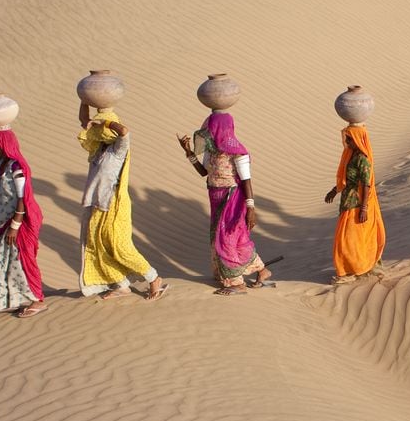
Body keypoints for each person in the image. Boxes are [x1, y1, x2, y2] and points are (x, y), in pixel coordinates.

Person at [78, 101, 167, 300]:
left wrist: (106, 123)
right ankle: (120, 284)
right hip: (98, 204)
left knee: (119, 246)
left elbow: (125, 131)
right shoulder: (97, 149)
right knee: (98, 245)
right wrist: (84, 100)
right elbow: (84, 121)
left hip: (115, 204)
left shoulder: (118, 150)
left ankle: (153, 279)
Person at [178, 111, 272, 294]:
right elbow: (204, 172)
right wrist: (189, 152)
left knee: (227, 238)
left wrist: (251, 208)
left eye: (211, 128)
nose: (208, 131)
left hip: (233, 199)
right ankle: (262, 271)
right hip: (215, 198)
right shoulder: (211, 150)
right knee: (232, 239)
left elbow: (246, 180)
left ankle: (237, 283)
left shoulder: (237, 152)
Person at [0, 120, 47, 317]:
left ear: (6, 145)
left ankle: (37, 300)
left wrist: (15, 226)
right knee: (5, 260)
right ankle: (14, 298)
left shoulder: (16, 167)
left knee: (24, 259)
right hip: (6, 222)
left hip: (20, 222)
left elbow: (23, 199)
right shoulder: (1, 162)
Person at [324, 124, 386, 282]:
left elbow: (366, 185)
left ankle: (350, 272)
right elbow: (347, 180)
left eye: (350, 139)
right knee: (346, 240)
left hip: (357, 205)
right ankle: (352, 269)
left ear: (357, 140)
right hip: (348, 202)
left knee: (348, 240)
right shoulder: (350, 155)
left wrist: (363, 209)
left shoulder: (362, 160)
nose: (347, 142)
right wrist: (334, 190)